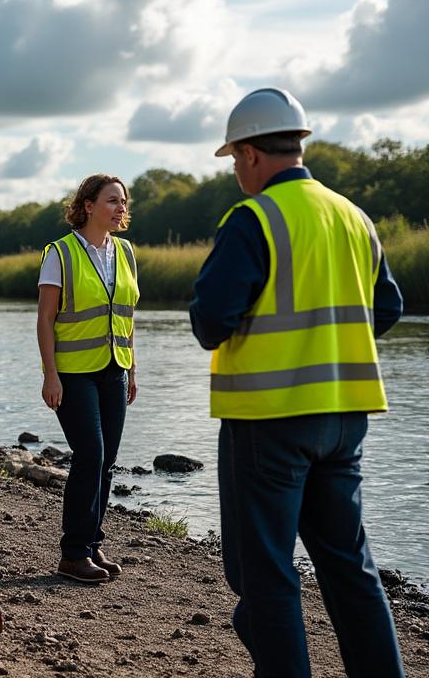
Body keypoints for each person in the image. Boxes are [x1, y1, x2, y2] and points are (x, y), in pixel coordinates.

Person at [190, 88, 405, 677]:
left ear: (253, 154)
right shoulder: (353, 216)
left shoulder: (254, 219)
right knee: (348, 566)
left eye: (235, 159)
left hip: (269, 419)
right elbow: (387, 308)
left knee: (266, 575)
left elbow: (211, 321)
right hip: (345, 418)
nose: (236, 170)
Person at [36, 173, 139, 584]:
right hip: (74, 374)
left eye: (124, 202)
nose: (120, 208)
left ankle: (93, 545)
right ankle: (73, 554)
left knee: (107, 462)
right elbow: (45, 319)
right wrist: (50, 374)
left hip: (115, 369)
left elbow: (128, 315)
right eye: (113, 200)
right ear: (89, 205)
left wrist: (132, 367)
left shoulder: (126, 253)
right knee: (90, 456)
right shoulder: (59, 254)